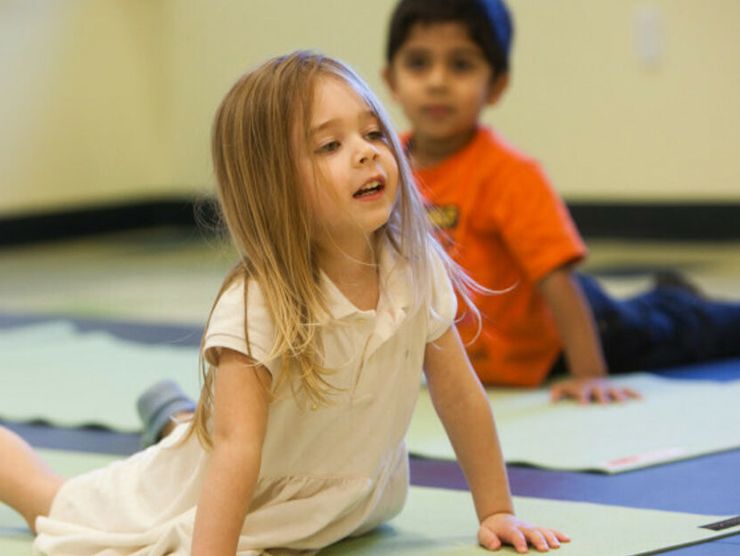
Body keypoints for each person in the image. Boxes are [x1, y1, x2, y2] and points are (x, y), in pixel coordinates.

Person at [0, 51, 569, 555]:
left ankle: (175, 418)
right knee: (52, 502)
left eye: (373, 134)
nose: (367, 154)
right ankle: (175, 426)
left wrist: (496, 509)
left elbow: (459, 393)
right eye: (330, 145)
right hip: (236, 495)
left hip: (349, 504)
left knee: (208, 431)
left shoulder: (413, 265)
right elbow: (236, 449)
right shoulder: (257, 304)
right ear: (274, 186)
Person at [381, 0, 740, 404]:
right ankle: (671, 296)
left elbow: (557, 279)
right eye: (418, 63)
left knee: (683, 332)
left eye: (461, 65)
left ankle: (682, 304)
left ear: (496, 85)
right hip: (492, 350)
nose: (437, 81)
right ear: (390, 80)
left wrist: (589, 375)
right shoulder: (384, 168)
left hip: (585, 328)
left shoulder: (509, 174)